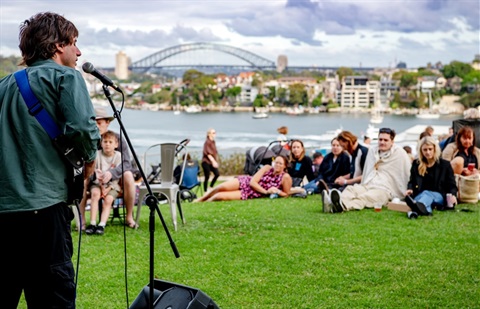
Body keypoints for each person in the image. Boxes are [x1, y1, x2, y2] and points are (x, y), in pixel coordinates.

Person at [0, 12, 99, 308]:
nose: (79, 52)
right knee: (52, 297)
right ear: (58, 46)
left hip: (4, 212)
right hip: (43, 211)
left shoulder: (3, 86)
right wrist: (90, 158)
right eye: (74, 43)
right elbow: (83, 130)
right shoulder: (66, 77)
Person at [79, 107, 139, 229]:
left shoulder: (116, 139)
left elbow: (127, 162)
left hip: (115, 181)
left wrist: (112, 173)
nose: (96, 125)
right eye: (94, 122)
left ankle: (129, 217)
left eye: (99, 122)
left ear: (107, 122)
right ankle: (82, 220)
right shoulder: (88, 139)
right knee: (83, 179)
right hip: (94, 179)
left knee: (128, 175)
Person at [327, 128, 411, 213]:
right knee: (351, 189)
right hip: (369, 184)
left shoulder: (399, 153)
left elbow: (406, 173)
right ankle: (334, 203)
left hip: (385, 189)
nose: (382, 142)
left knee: (366, 197)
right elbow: (368, 170)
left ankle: (343, 206)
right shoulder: (372, 151)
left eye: (385, 140)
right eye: (380, 139)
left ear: (392, 141)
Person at [195, 156, 292, 202]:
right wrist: (266, 192)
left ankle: (206, 202)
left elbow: (286, 193)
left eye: (280, 163)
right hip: (246, 182)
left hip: (253, 193)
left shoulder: (285, 177)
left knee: (220, 196)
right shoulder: (267, 167)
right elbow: (253, 182)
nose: (277, 165)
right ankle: (201, 200)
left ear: (285, 166)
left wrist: (277, 192)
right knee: (221, 187)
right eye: (276, 162)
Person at [405, 136, 457, 216]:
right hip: (420, 194)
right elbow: (412, 181)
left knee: (427, 194)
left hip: (439, 195)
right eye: (425, 150)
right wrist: (410, 188)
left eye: (430, 149)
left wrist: (453, 195)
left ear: (434, 149)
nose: (428, 152)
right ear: (421, 151)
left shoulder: (444, 165)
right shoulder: (416, 164)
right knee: (424, 195)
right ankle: (424, 211)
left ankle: (415, 207)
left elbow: (452, 185)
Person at [85, 131, 122, 235]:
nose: (107, 144)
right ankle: (92, 223)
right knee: (95, 194)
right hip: (97, 183)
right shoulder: (97, 154)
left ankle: (101, 225)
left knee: (108, 200)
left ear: (116, 144)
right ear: (101, 143)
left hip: (112, 186)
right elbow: (93, 173)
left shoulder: (118, 156)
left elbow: (118, 175)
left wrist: (108, 188)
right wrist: (101, 185)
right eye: (105, 141)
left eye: (110, 142)